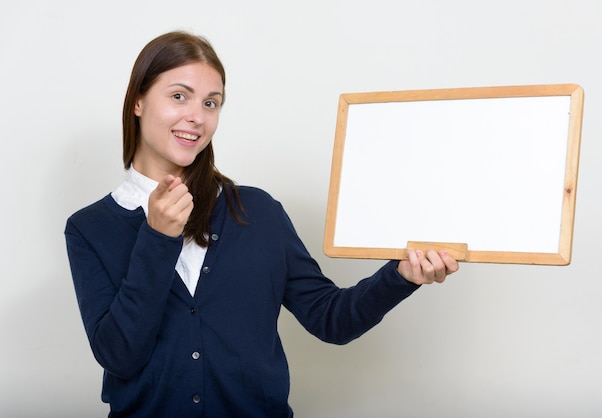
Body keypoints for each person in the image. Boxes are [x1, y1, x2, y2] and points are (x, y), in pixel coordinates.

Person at [64, 31, 459, 418]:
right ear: (137, 101)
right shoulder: (89, 228)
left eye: (211, 103)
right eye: (179, 96)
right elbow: (119, 355)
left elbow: (331, 318)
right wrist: (156, 238)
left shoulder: (256, 211)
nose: (197, 117)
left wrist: (401, 276)